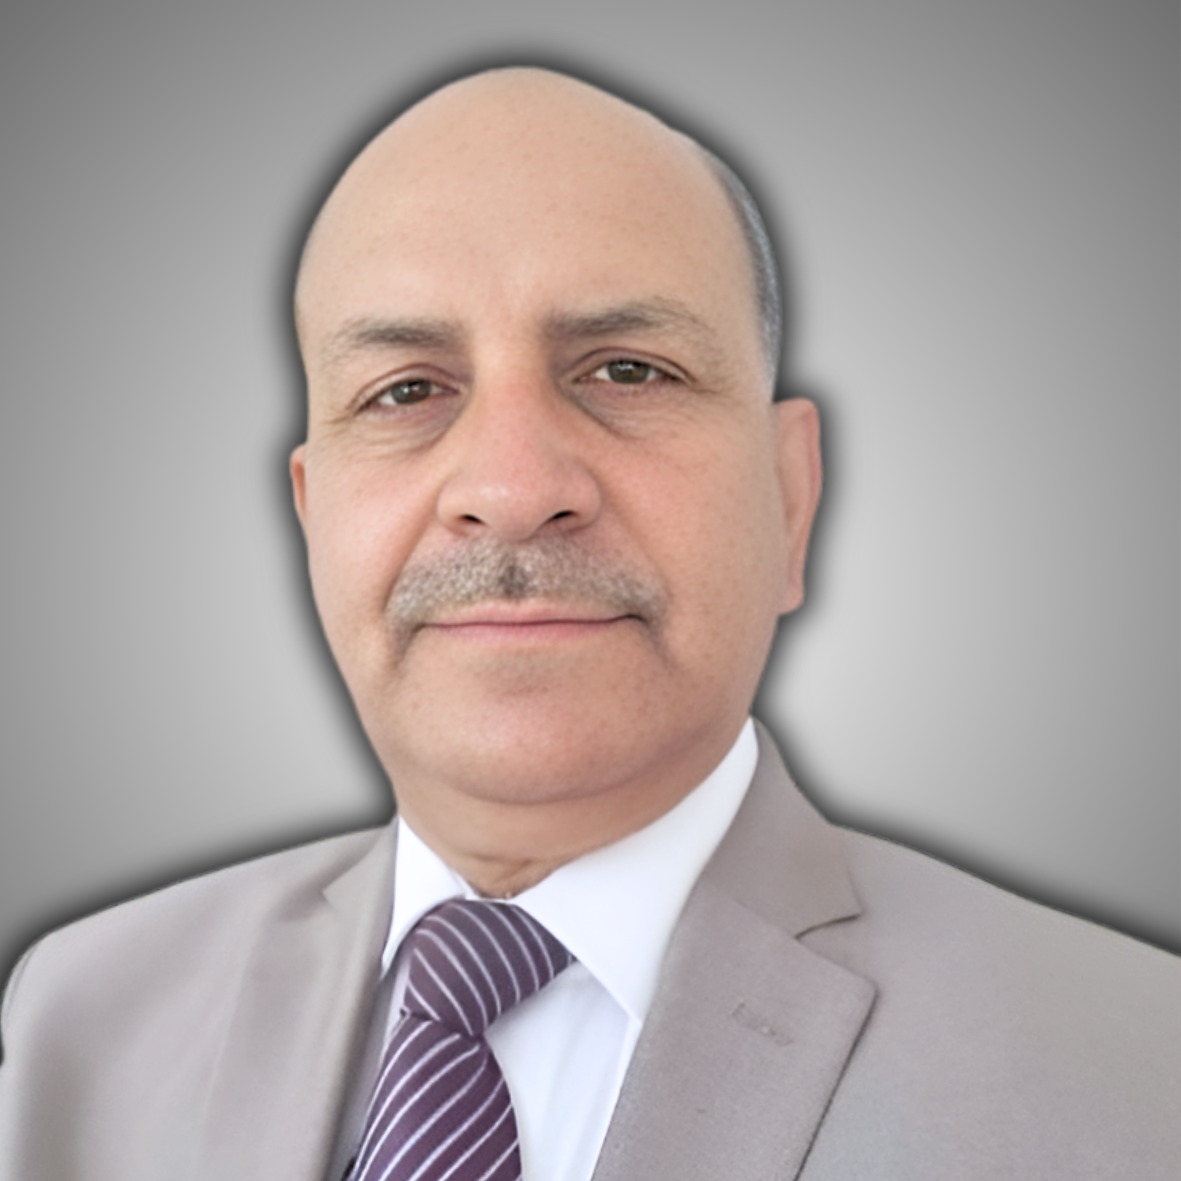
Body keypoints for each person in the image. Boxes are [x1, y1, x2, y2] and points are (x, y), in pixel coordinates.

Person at [0, 66, 1176, 1181]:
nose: (512, 487)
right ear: (312, 517)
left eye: (625, 370)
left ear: (788, 498)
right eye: (405, 390)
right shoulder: (82, 1018)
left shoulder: (1135, 1070)